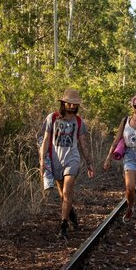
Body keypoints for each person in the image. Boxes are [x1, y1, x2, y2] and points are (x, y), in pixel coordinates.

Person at [40, 88, 95, 238]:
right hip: (56, 159)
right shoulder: (52, 118)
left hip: (72, 159)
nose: (71, 106)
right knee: (62, 195)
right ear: (63, 103)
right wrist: (42, 161)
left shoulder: (79, 122)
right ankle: (71, 214)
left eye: (74, 104)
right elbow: (45, 141)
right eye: (69, 103)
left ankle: (63, 225)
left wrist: (89, 163)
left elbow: (83, 144)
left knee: (67, 191)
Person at [103, 92, 136, 230]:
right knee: (130, 187)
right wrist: (108, 157)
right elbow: (116, 140)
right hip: (129, 155)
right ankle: (130, 207)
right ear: (132, 106)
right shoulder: (125, 121)